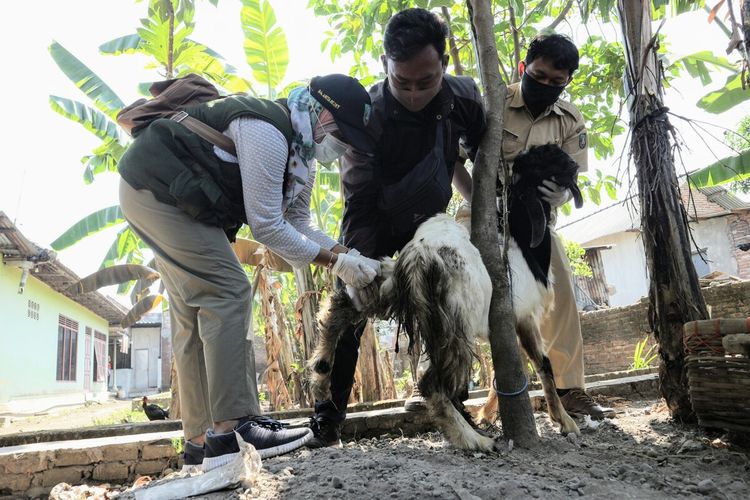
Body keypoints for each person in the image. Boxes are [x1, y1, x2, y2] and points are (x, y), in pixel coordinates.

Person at [117, 74, 381, 471]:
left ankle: (200, 442)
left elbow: (300, 223)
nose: (341, 148)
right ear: (323, 114)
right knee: (228, 289)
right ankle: (232, 430)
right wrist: (338, 264)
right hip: (156, 192)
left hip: (153, 193)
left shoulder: (300, 158)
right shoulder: (268, 130)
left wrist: (352, 255)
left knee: (190, 315)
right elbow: (267, 227)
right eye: (343, 136)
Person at [307, 8, 487, 448]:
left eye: (425, 82)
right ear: (385, 66)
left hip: (431, 226)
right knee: (347, 311)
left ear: (443, 64)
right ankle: (328, 418)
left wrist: (481, 213)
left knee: (448, 306)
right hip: (375, 220)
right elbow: (360, 199)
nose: (412, 94)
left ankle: (452, 400)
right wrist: (360, 268)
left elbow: (472, 160)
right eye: (400, 82)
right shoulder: (367, 115)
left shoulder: (464, 99)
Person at [497, 33, 614, 419]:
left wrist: (561, 195)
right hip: (485, 216)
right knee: (460, 284)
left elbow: (574, 174)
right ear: (523, 68)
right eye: (539, 75)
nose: (546, 85)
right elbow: (458, 160)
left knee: (561, 285)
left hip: (537, 221)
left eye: (556, 81)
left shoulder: (570, 119)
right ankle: (444, 385)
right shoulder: (494, 104)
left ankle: (569, 389)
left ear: (567, 81)